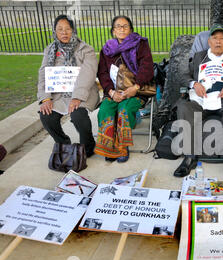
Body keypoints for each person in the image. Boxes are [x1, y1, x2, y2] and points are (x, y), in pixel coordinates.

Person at [173, 24, 223, 180]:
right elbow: (183, 76)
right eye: (215, 38)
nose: (218, 42)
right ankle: (189, 157)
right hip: (201, 99)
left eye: (222, 38)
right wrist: (193, 84)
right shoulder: (198, 57)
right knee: (184, 107)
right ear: (209, 41)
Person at [37, 15, 99, 158]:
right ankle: (64, 144)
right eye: (60, 29)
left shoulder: (86, 49)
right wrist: (45, 98)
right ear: (55, 32)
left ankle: (87, 146)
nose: (64, 33)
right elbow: (43, 75)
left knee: (78, 115)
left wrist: (77, 97)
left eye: (67, 29)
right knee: (46, 116)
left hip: (83, 92)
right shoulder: (49, 50)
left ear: (73, 30)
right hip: (59, 94)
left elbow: (88, 74)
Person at [95, 15, 154, 162]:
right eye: (118, 26)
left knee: (124, 110)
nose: (122, 29)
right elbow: (102, 73)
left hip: (136, 90)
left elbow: (147, 68)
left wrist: (135, 87)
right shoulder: (107, 49)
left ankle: (122, 147)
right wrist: (110, 91)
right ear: (113, 31)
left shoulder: (140, 45)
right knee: (105, 110)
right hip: (113, 91)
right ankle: (109, 147)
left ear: (131, 29)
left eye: (125, 26)